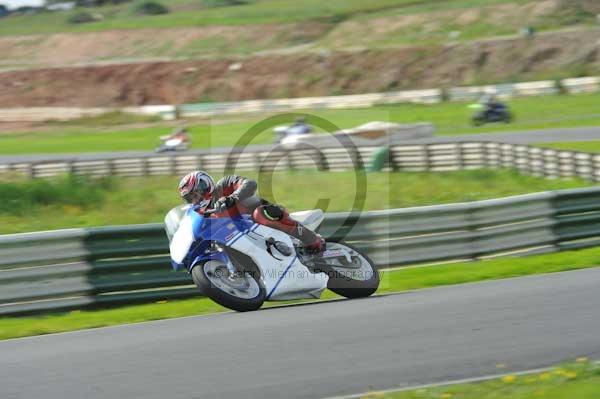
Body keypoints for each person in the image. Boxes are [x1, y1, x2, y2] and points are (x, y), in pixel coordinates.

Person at [171, 170, 325, 266]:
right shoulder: (203, 213)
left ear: (205, 185)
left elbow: (250, 183)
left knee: (261, 215)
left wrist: (232, 197)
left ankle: (312, 240)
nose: (195, 199)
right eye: (191, 198)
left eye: (196, 194)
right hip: (243, 236)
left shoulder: (224, 185)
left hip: (261, 216)